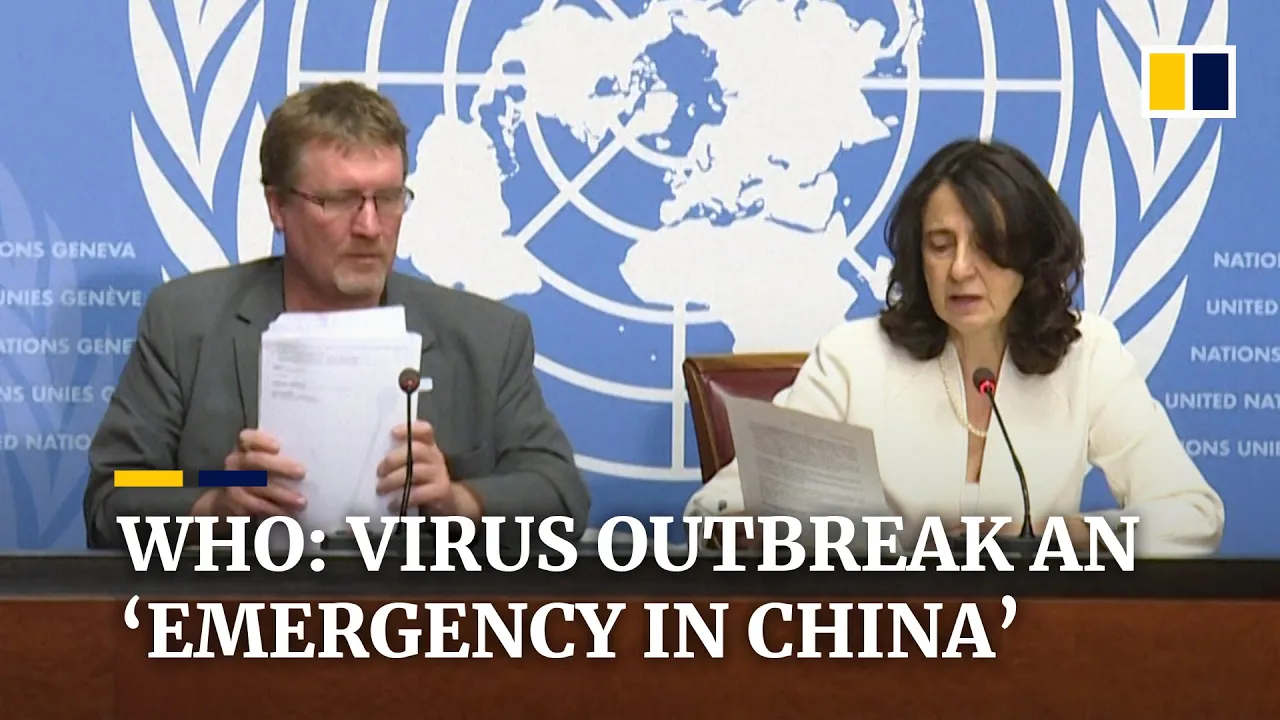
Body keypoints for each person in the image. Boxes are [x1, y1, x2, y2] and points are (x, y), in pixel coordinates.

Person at [83, 81, 590, 549]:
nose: (370, 226)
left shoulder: (486, 338)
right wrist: (216, 497)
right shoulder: (185, 323)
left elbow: (559, 493)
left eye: (388, 198)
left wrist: (458, 500)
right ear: (278, 207)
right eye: (341, 200)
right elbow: (120, 487)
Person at [685, 138, 1224, 557]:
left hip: (1034, 638)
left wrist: (1069, 536)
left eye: (987, 247)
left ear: (1032, 255)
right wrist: (750, 527)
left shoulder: (1087, 356)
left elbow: (1194, 516)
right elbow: (716, 509)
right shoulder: (853, 359)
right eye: (941, 246)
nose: (961, 269)